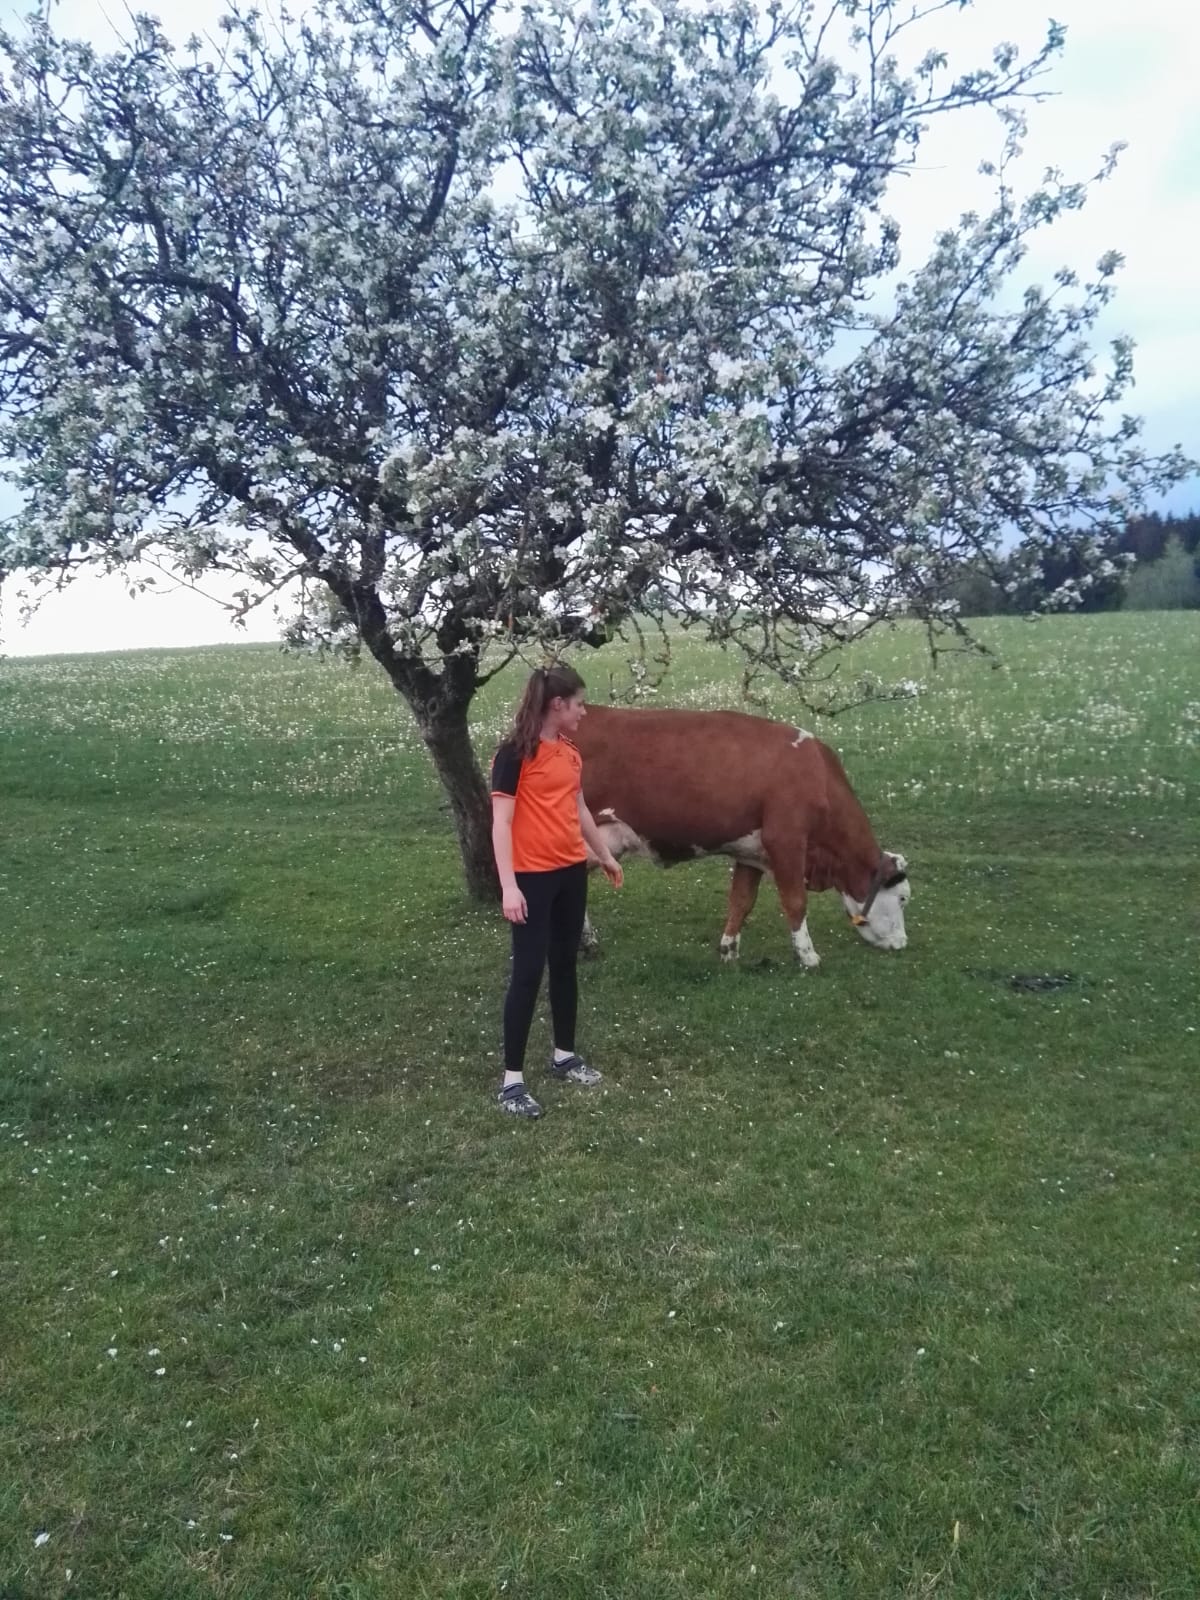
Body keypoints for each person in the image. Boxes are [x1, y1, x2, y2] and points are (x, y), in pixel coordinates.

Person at [490, 663, 623, 1118]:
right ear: (557, 704)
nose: (584, 712)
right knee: (528, 973)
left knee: (564, 965)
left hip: (570, 872)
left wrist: (603, 855)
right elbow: (501, 824)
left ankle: (564, 1056)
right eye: (579, 704)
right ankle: (512, 1084)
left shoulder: (569, 752)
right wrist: (509, 886)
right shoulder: (513, 755)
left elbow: (579, 806)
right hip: (531, 878)